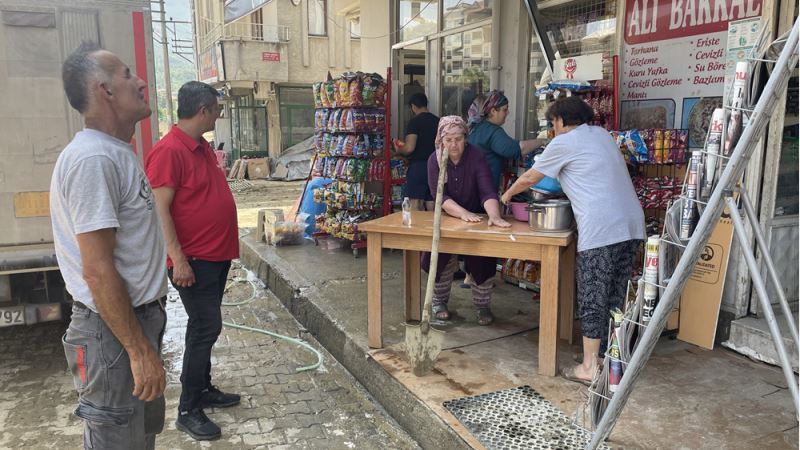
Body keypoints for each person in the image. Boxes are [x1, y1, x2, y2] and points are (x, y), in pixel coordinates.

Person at [51, 42, 168, 449]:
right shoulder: (93, 160)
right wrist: (137, 351)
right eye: (127, 74)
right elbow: (97, 269)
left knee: (137, 437)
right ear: (105, 90)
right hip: (113, 334)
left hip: (129, 326)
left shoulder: (115, 153)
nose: (141, 82)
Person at [501, 97, 645, 384]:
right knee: (613, 294)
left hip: (602, 228)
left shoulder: (564, 142)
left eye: (553, 123)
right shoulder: (602, 136)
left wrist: (505, 195)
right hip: (631, 224)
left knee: (593, 295)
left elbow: (531, 177)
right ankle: (605, 358)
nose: (553, 129)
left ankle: (589, 367)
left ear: (561, 121)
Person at [145, 81, 240, 441]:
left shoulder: (200, 146)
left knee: (204, 327)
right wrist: (178, 259)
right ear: (203, 110)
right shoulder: (170, 151)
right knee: (206, 328)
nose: (219, 113)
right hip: (194, 261)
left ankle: (203, 388)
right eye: (216, 107)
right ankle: (188, 409)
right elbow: (160, 209)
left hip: (215, 257)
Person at [422, 116, 512, 326]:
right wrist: (462, 213)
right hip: (447, 215)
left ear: (466, 138)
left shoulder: (476, 156)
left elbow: (487, 190)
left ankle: (482, 306)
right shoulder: (434, 160)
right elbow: (440, 196)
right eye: (449, 140)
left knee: (482, 259)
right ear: (441, 140)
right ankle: (439, 302)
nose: (454, 144)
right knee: (442, 259)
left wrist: (494, 216)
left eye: (458, 139)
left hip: (476, 216)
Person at [467, 90, 546, 190]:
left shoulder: (475, 127)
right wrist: (542, 141)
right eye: (504, 110)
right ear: (493, 111)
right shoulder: (492, 131)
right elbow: (515, 149)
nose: (507, 113)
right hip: (483, 191)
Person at [395, 92, 439, 211]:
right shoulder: (438, 121)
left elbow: (409, 148)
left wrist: (398, 150)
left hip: (419, 167)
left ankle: (416, 229)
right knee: (432, 201)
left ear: (413, 106)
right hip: (436, 165)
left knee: (415, 202)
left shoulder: (415, 122)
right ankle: (432, 229)